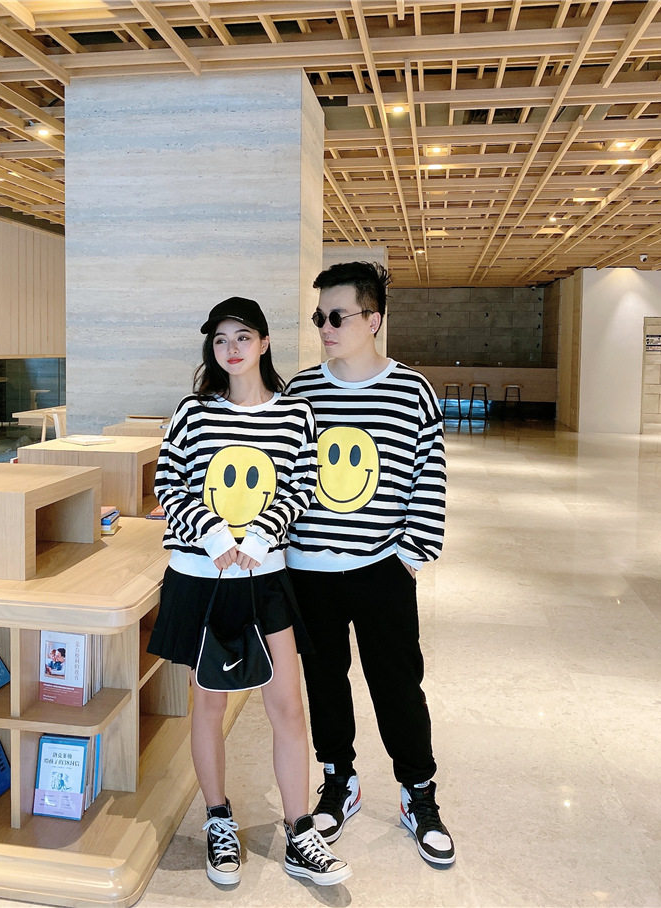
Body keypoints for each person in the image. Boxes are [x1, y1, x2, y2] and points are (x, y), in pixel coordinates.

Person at [147, 297, 351, 887]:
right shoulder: (193, 412)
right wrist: (213, 534)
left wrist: (262, 534)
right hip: (202, 577)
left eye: (242, 336)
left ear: (264, 343)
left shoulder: (294, 413)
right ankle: (218, 820)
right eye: (220, 340)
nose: (231, 348)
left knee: (287, 704)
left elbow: (304, 482)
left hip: (266, 578)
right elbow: (169, 482)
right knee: (209, 705)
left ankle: (299, 830)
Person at [285, 262, 455, 867]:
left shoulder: (411, 391)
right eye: (319, 317)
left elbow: (429, 477)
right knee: (324, 680)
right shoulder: (300, 392)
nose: (325, 328)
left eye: (338, 316)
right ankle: (339, 780)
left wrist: (410, 555)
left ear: (373, 319)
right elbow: (284, 471)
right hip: (308, 569)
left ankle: (419, 792)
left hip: (381, 566)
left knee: (397, 682)